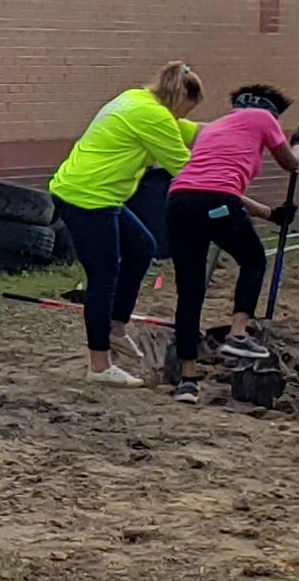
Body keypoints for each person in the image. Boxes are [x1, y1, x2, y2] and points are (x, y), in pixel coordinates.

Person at [44, 65, 204, 382]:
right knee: (104, 275)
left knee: (142, 247)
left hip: (100, 194)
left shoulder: (137, 99)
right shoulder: (153, 117)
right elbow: (183, 167)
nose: (182, 117)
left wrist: (239, 129)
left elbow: (189, 129)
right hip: (87, 196)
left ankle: (116, 326)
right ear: (179, 98)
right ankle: (99, 366)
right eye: (186, 109)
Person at [160, 81, 299, 399]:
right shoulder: (263, 118)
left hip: (179, 203)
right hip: (215, 202)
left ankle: (187, 380)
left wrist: (269, 213)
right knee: (253, 259)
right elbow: (291, 163)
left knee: (190, 290)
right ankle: (239, 335)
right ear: (271, 111)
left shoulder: (215, 128)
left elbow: (216, 185)